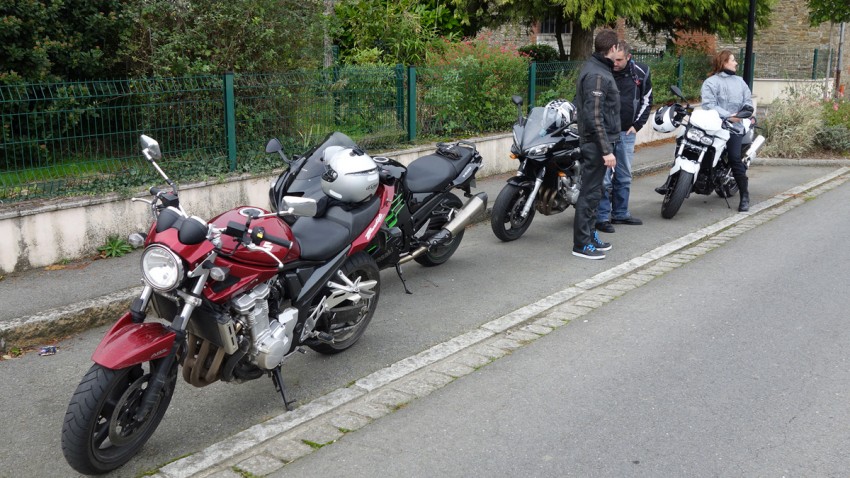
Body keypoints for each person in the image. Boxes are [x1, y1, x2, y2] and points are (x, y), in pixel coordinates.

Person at [655, 50, 754, 212]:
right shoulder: (710, 82)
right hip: (712, 125)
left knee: (735, 159)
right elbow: (709, 105)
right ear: (723, 63)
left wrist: (742, 115)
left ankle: (745, 196)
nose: (736, 63)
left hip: (734, 128)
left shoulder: (741, 82)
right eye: (733, 60)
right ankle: (671, 181)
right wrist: (728, 115)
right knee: (683, 141)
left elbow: (748, 103)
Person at [572, 29, 621, 260]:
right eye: (617, 49)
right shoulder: (597, 75)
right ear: (612, 49)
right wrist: (606, 150)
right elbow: (594, 116)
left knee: (595, 192)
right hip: (595, 145)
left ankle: (590, 236)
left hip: (597, 143)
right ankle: (581, 245)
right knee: (589, 194)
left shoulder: (598, 69)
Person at [596, 40, 652, 234]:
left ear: (628, 57)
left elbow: (647, 99)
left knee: (624, 175)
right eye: (614, 59)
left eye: (620, 60)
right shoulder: (603, 71)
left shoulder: (641, 72)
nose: (616, 63)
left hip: (627, 132)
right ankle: (602, 216)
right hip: (605, 131)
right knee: (604, 177)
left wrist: (637, 125)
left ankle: (620, 213)